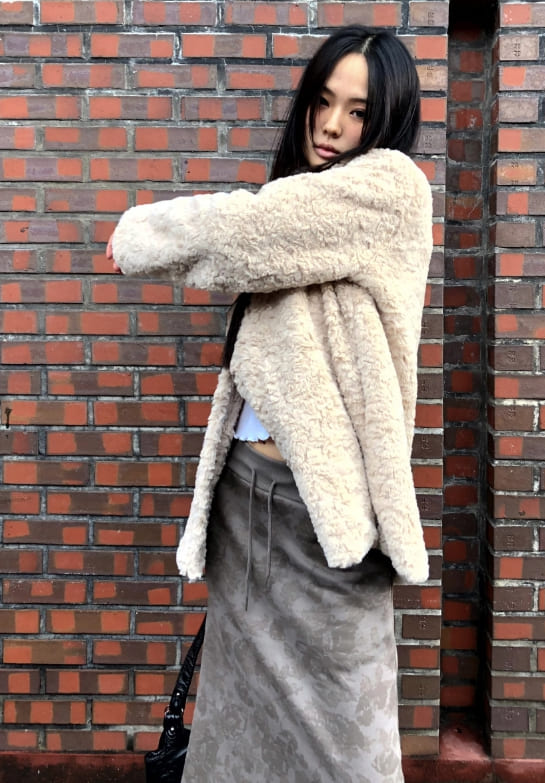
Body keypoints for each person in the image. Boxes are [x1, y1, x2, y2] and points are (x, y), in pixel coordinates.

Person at [106, 25, 433, 783]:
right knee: (234, 732)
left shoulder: (391, 188)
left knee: (349, 746)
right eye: (323, 102)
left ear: (387, 119)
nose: (333, 125)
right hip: (243, 495)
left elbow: (245, 231)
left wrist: (139, 235)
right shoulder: (302, 194)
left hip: (326, 520)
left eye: (358, 110)